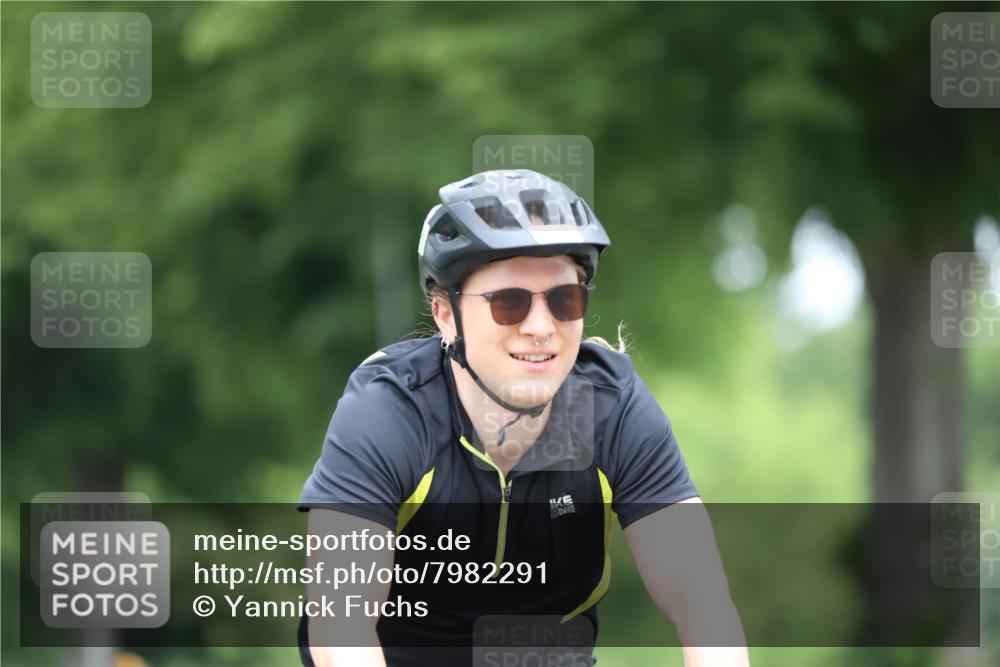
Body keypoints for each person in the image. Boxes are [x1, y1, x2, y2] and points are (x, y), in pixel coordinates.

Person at [298, 169, 749, 667]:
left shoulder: (613, 409)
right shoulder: (388, 413)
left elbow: (703, 605)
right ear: (446, 314)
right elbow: (340, 627)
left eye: (564, 300)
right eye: (508, 302)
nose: (540, 328)